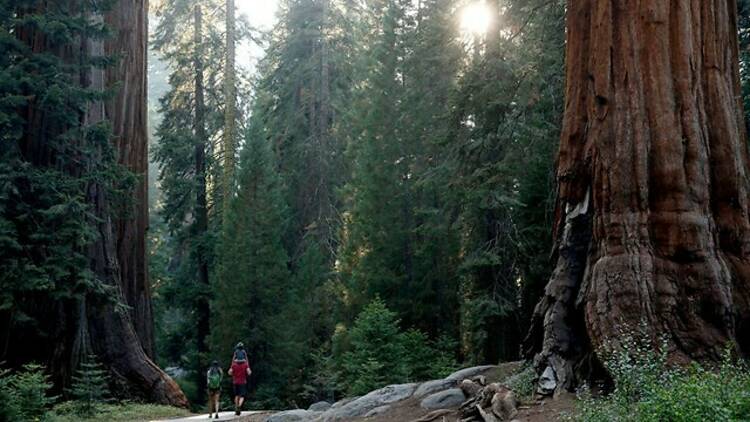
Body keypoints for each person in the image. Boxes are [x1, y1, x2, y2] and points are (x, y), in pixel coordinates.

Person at [228, 343, 251, 416]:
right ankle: (239, 406)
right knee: (242, 396)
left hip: (235, 382)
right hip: (243, 382)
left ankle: (236, 408)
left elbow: (230, 373)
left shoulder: (234, 364)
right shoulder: (245, 364)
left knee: (236, 395)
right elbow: (249, 372)